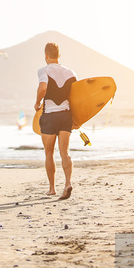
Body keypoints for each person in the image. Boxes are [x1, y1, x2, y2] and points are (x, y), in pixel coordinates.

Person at [34, 42, 77, 200]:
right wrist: (77, 119)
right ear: (59, 55)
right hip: (66, 115)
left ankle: (52, 188)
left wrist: (37, 102)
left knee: (49, 152)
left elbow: (43, 88)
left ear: (46, 55)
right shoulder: (71, 72)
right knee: (65, 152)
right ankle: (67, 183)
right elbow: (76, 97)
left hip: (50, 116)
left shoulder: (43, 70)